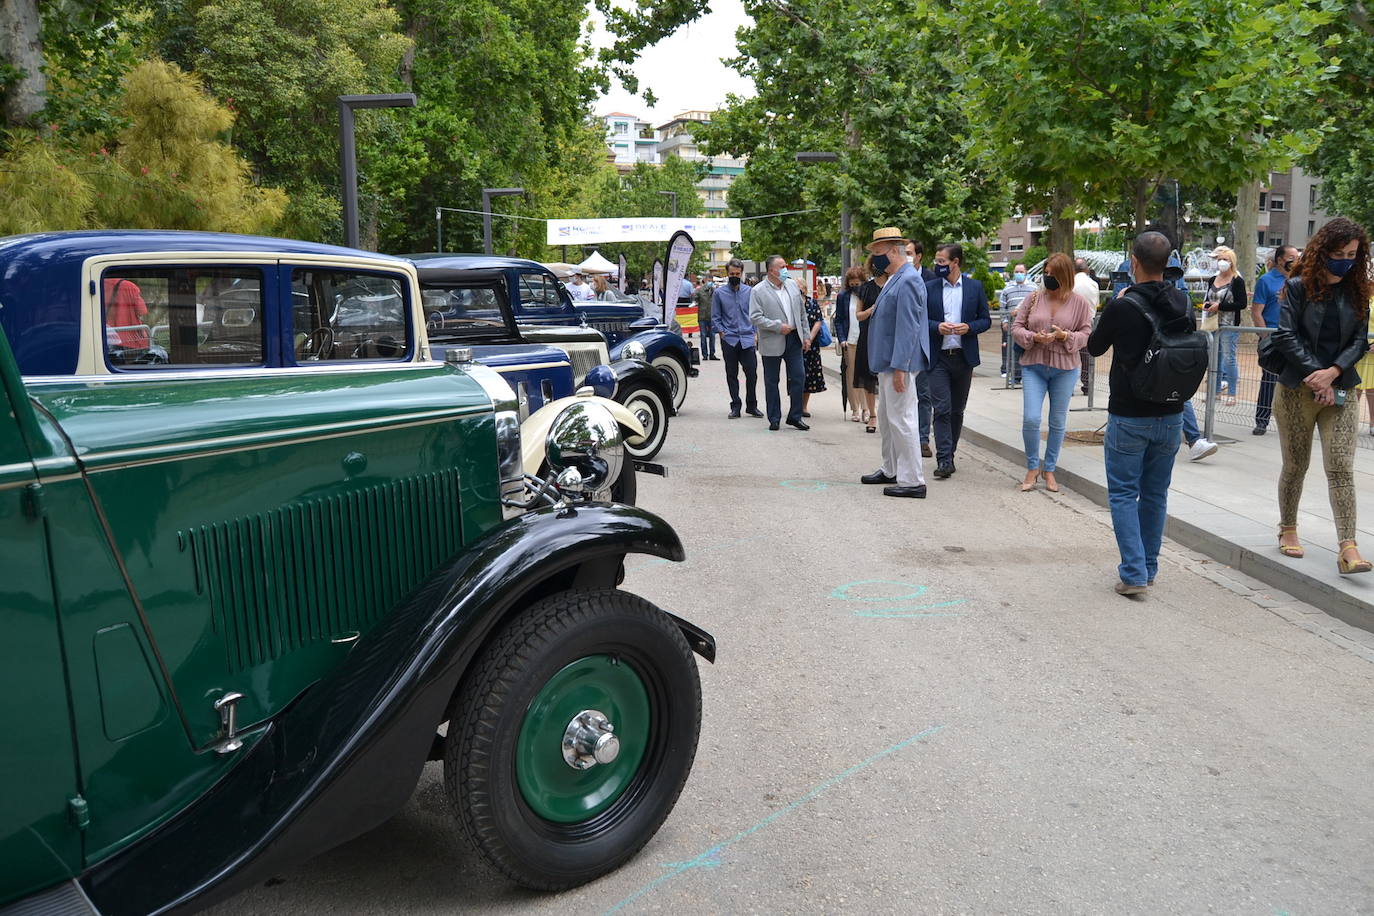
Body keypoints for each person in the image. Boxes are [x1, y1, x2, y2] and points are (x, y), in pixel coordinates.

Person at [1089, 230, 1204, 595]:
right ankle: (1149, 568)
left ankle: (1134, 572)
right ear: (1169, 263)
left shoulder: (1123, 305)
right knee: (1155, 494)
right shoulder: (1183, 302)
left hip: (1129, 412)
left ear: (1133, 262)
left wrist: (1116, 304)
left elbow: (1094, 347)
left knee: (1124, 493)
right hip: (1171, 411)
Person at [1269, 217, 1373, 574]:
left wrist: (1333, 373)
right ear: (1322, 251)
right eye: (1339, 254)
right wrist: (1318, 377)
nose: (1345, 261)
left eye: (1352, 255)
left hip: (1341, 387)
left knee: (1341, 467)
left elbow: (1359, 341)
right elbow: (1285, 335)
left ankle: (1348, 547)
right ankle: (1288, 527)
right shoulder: (1297, 287)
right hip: (1297, 389)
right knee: (1295, 465)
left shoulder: (1358, 291)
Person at [1012, 253, 1095, 493]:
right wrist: (1033, 337)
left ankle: (1049, 469)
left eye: (1052, 274)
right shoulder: (1034, 297)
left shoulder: (1079, 303)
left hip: (1065, 369)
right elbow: (1017, 327)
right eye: (1045, 273)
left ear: (1065, 275)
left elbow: (1086, 334)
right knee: (1031, 418)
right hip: (1034, 365)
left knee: (1057, 422)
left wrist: (1065, 336)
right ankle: (1032, 467)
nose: (1047, 277)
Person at [860, 227, 930, 498]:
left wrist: (901, 366)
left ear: (891, 252)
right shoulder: (895, 277)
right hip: (888, 361)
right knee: (889, 419)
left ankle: (913, 480)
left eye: (877, 253)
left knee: (902, 419)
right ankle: (890, 468)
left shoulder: (908, 279)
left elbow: (908, 328)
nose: (874, 259)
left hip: (898, 362)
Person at [924, 243, 991, 479]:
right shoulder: (929, 288)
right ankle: (943, 459)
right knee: (941, 408)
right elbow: (920, 319)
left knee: (957, 410)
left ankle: (950, 453)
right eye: (937, 261)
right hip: (938, 358)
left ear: (955, 262)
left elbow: (985, 320)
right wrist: (937, 326)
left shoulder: (974, 287)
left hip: (963, 357)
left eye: (942, 261)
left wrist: (969, 327)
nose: (938, 265)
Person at [749, 255, 809, 431]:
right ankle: (774, 418)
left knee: (799, 376)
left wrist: (806, 336)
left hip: (794, 338)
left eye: (785, 266)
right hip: (772, 340)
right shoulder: (758, 291)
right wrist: (777, 326)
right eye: (782, 267)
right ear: (771, 270)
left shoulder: (792, 285)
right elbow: (755, 317)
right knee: (772, 381)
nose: (785, 269)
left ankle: (795, 416)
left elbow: (801, 313)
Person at [1250, 244, 1298, 435]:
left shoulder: (1300, 279)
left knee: (1295, 380)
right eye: (1291, 258)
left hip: (1295, 338)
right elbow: (1256, 311)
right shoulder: (1266, 281)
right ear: (1280, 260)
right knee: (1269, 379)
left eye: (1298, 257)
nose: (1296, 261)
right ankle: (1262, 420)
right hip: (1274, 337)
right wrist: (1265, 337)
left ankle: (1293, 420)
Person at [714, 258, 762, 419]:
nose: (734, 276)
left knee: (752, 373)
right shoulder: (719, 293)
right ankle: (735, 406)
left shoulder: (750, 292)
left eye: (737, 274)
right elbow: (715, 317)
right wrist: (722, 332)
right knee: (731, 374)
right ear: (727, 274)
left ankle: (751, 406)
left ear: (741, 273)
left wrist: (755, 333)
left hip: (747, 339)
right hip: (729, 340)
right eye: (732, 274)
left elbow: (755, 314)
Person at [1203, 246, 1248, 405]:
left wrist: (1220, 306)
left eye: (1225, 259)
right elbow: (1208, 297)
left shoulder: (1237, 281)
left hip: (1229, 325)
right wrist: (1207, 306)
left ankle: (1232, 393)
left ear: (1232, 262)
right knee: (1214, 359)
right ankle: (1214, 392)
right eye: (1219, 259)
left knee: (1229, 358)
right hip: (1213, 323)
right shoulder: (1212, 279)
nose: (1221, 262)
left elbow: (1242, 303)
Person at [905, 240, 935, 451]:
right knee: (905, 394)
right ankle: (908, 436)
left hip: (924, 344)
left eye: (909, 253)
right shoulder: (898, 277)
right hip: (904, 345)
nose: (906, 256)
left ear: (919, 256)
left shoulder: (931, 279)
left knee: (924, 394)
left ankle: (923, 439)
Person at [853, 262, 884, 433]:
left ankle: (886, 414)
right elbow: (858, 315)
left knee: (886, 377)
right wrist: (871, 310)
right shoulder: (865, 289)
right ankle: (872, 414)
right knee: (868, 377)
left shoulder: (894, 285)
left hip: (887, 337)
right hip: (868, 336)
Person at [835, 266, 864, 423]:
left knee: (865, 375)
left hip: (864, 340)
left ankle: (866, 408)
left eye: (857, 284)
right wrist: (842, 339)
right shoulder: (843, 297)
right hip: (849, 341)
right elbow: (838, 320)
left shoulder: (867, 295)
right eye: (852, 284)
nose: (855, 287)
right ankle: (855, 409)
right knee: (851, 375)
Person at [999, 262, 1036, 381]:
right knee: (1012, 350)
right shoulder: (1007, 289)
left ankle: (1028, 376)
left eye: (1021, 272)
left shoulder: (1034, 288)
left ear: (1026, 273)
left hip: (1029, 326)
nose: (1019, 274)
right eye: (1016, 272)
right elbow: (1002, 306)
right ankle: (1015, 375)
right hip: (1012, 326)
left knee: (1028, 350)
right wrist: (1004, 321)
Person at [1073, 258, 1101, 395]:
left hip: (1071, 323)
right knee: (1086, 356)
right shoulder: (1093, 284)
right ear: (1086, 269)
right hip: (1088, 323)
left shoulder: (1070, 282)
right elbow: (1096, 304)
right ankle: (1087, 385)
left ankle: (1068, 386)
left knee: (1070, 354)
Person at [801, 284, 827, 414]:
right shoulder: (791, 303)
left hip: (812, 345)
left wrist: (809, 339)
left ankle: (803, 406)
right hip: (796, 344)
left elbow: (818, 320)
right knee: (796, 376)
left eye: (800, 288)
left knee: (810, 376)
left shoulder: (812, 303)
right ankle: (796, 405)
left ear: (805, 289)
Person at [694, 277, 717, 360]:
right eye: (709, 281)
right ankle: (705, 355)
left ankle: (712, 354)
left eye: (711, 281)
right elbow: (695, 299)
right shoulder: (700, 291)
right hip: (702, 316)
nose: (710, 283)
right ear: (705, 281)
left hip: (712, 316)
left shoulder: (715, 292)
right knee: (703, 336)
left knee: (712, 336)